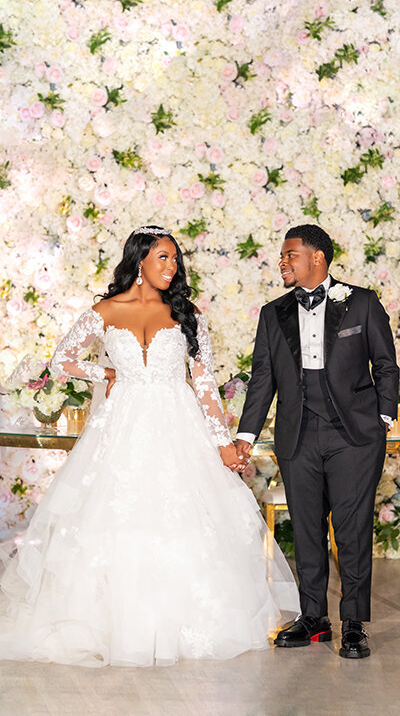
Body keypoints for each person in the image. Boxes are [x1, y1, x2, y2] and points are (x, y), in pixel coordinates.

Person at [0, 226, 299, 667]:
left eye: (175, 259)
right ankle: (110, 623)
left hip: (178, 427)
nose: (171, 266)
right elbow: (62, 359)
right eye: (162, 257)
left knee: (181, 516)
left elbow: (205, 384)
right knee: (114, 516)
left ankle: (181, 622)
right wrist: (105, 374)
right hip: (119, 427)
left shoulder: (186, 314)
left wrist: (222, 442)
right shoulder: (106, 310)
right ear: (139, 260)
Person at [236, 224, 399, 659]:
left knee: (352, 529)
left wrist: (383, 417)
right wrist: (245, 436)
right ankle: (314, 618)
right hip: (298, 434)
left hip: (355, 437)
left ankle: (353, 624)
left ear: (318, 258)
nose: (283, 262)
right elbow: (263, 379)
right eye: (282, 256)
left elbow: (385, 363)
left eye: (291, 254)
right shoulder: (273, 313)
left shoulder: (361, 302)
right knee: (306, 528)